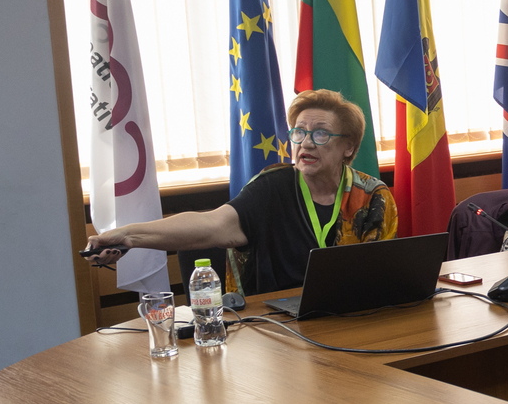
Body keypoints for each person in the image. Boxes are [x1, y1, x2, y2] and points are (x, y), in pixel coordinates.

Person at [83, 89, 396, 294]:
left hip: (350, 318)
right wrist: (129, 235)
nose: (306, 143)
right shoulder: (271, 187)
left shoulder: (372, 198)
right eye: (299, 132)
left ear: (348, 147)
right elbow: (211, 224)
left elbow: (379, 279)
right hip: (277, 326)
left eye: (321, 134)